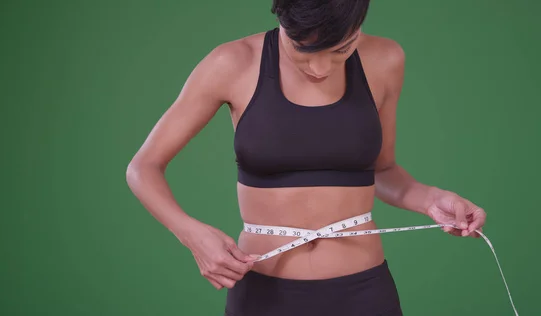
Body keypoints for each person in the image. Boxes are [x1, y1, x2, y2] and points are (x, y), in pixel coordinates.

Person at [126, 0, 486, 315]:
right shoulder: (232, 63)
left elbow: (383, 170)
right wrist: (190, 233)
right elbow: (143, 167)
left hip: (364, 294)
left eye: (341, 49)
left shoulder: (386, 60)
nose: (320, 69)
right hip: (263, 297)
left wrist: (433, 199)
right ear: (282, 18)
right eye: (302, 49)